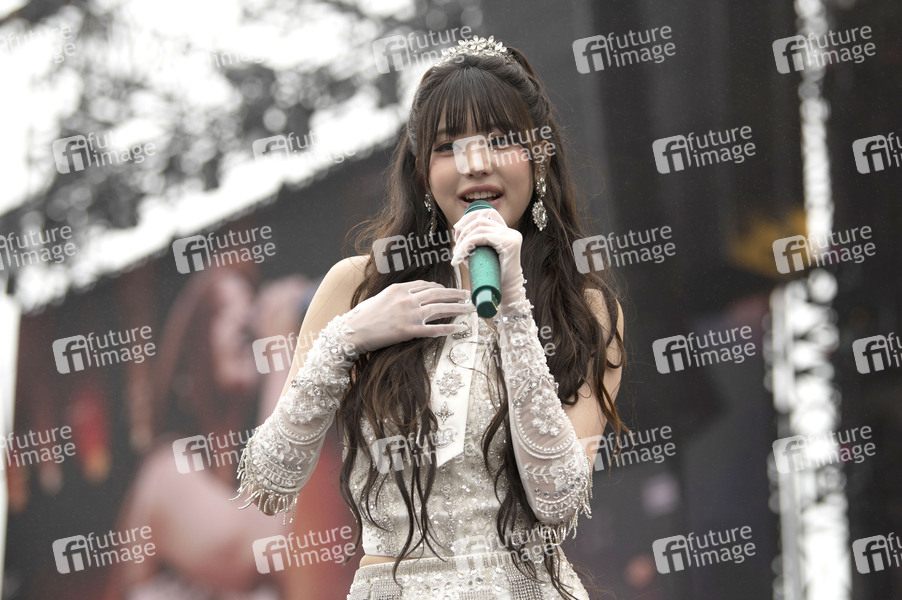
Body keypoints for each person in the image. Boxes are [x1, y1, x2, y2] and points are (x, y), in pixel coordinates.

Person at [234, 35, 626, 599]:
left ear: (539, 159)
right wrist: (345, 339)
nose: (475, 164)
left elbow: (557, 499)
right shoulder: (357, 286)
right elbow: (271, 480)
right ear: (423, 174)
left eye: (501, 139)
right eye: (448, 146)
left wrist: (513, 306)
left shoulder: (583, 309)